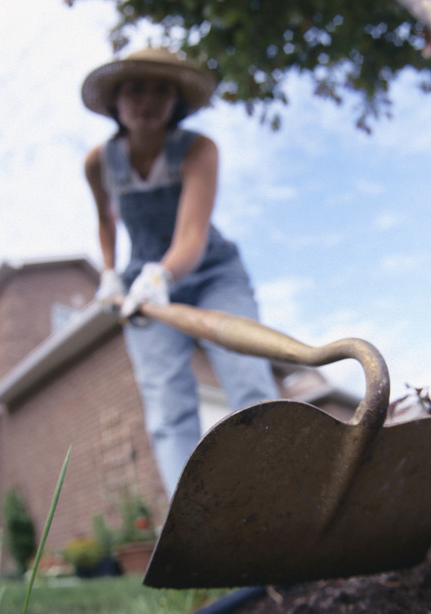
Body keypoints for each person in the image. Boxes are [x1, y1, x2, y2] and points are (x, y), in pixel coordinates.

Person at [81, 47, 279, 498]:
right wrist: (110, 273)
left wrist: (161, 276)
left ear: (177, 102)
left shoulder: (198, 149)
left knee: (248, 377)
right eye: (135, 88)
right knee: (167, 405)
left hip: (212, 273)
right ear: (115, 101)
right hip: (142, 289)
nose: (147, 100)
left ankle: (277, 494)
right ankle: (192, 527)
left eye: (161, 90)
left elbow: (191, 236)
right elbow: (105, 220)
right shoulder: (99, 162)